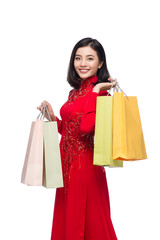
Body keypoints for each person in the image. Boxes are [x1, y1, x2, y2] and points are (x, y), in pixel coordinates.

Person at [38, 37, 118, 240]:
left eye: (89, 58)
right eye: (78, 58)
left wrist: (97, 90)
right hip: (66, 166)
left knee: (89, 220)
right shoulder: (74, 93)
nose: (82, 64)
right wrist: (51, 116)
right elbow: (69, 130)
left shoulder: (101, 95)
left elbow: (86, 128)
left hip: (85, 168)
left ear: (100, 63)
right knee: (69, 217)